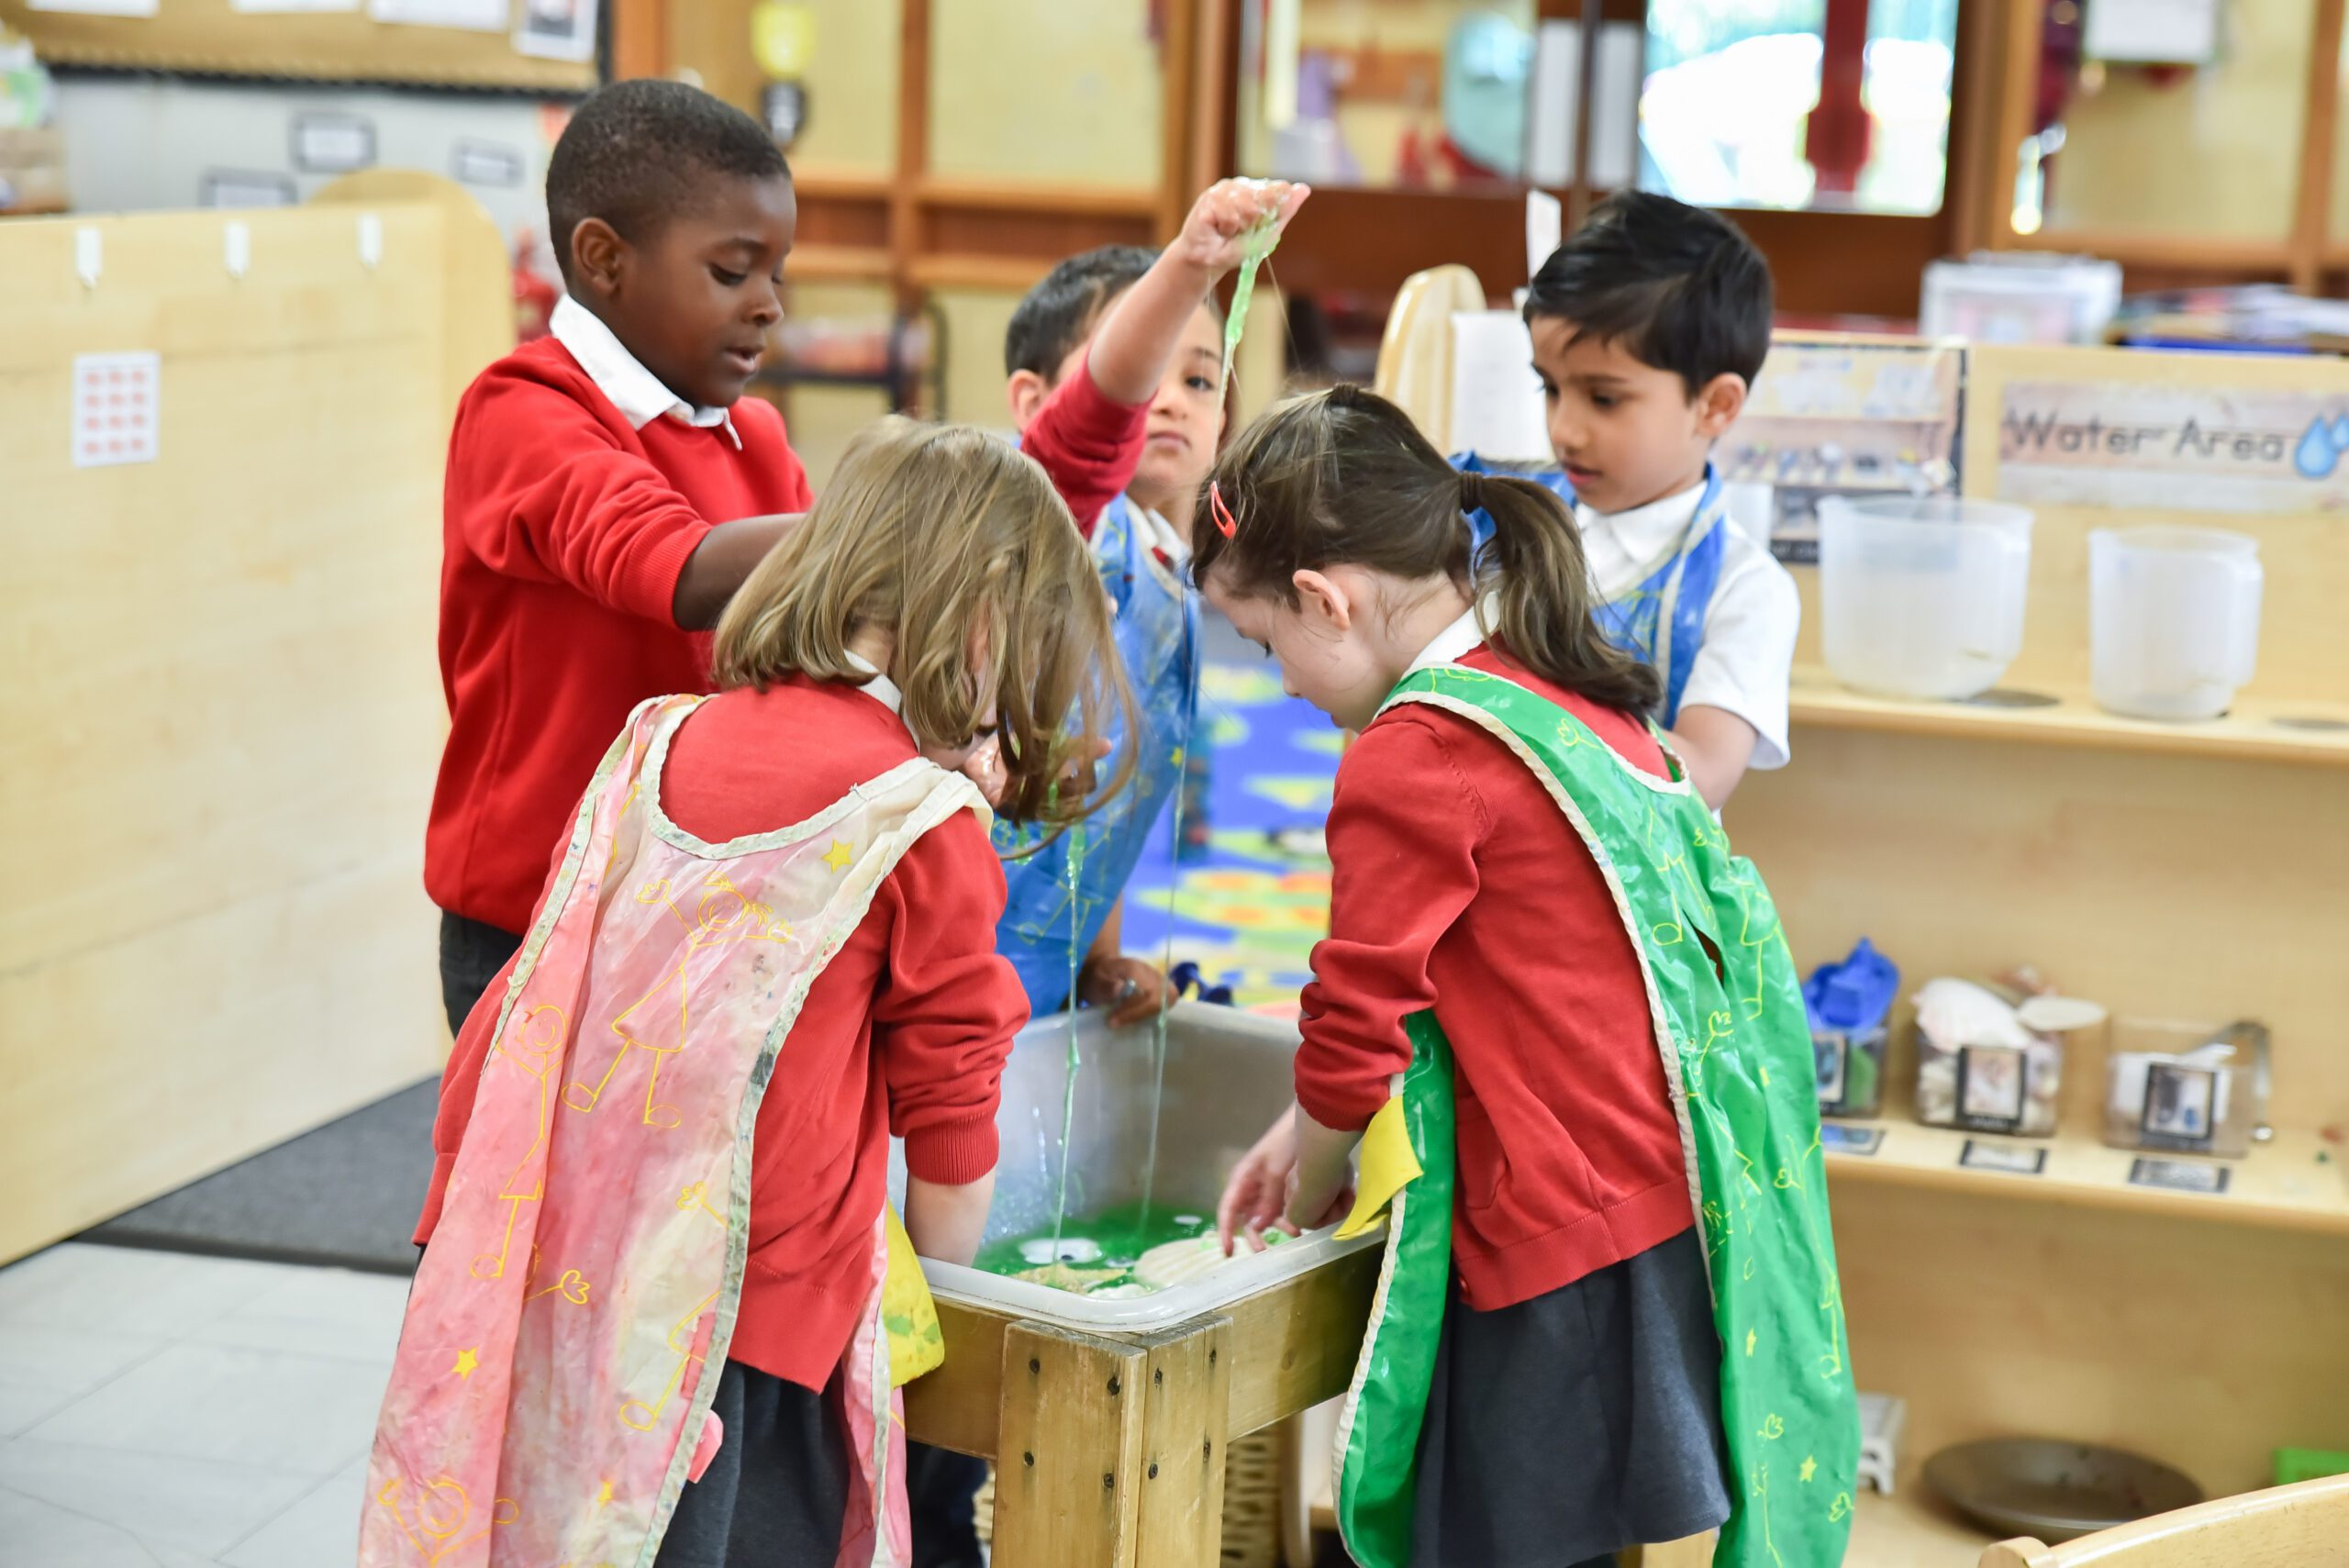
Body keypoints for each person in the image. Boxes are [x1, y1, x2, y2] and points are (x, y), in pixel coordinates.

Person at [363, 419, 1130, 1568]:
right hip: (744, 1336)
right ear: (985, 620)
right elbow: (954, 1116)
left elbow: (524, 1008)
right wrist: (948, 1298)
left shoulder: (660, 738)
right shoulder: (922, 821)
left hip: (561, 1272)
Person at [1202, 387, 1856, 1568]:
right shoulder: (1552, 690)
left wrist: (1311, 1173)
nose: (1281, 683)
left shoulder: (1414, 754)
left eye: (1263, 644)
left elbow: (1356, 1017)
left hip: (1558, 1249)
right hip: (1652, 1217)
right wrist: (1288, 1128)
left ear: (1323, 598)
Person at [429, 78, 818, 1037]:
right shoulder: (523, 413)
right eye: (733, 273)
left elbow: (821, 623)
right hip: (536, 917)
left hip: (697, 908)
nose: (768, 306)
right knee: (531, 1188)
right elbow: (669, 566)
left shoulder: (756, 439)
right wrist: (904, 519)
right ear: (604, 260)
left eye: (778, 274)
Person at [994, 179, 1308, 1022]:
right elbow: (1094, 424)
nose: (1169, 397)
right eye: (1146, 371)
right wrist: (1190, 266)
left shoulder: (1177, 572)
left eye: (1201, 381)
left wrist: (1098, 958)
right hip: (948, 973)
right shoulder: (1053, 534)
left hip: (1042, 986)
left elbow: (1111, 813)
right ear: (1034, 405)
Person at [1458, 189, 1798, 808]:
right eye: (1551, 388)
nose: (1564, 429)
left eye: (1604, 397)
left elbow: (1699, 775)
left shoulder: (1747, 590)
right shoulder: (1517, 518)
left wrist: (1527, 696)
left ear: (1715, 405)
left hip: (1633, 902)